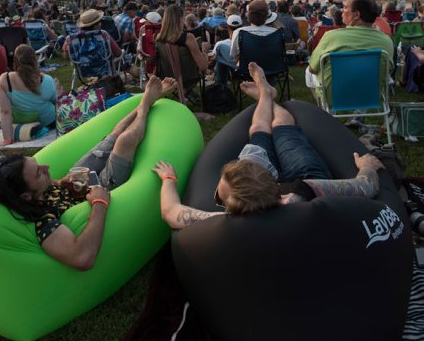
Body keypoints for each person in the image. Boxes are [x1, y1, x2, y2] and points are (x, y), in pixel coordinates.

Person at [153, 63, 383, 228]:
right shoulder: (304, 192)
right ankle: (267, 94)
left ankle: (265, 94)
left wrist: (168, 179)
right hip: (302, 176)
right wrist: (367, 165)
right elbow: (366, 187)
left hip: (273, 186)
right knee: (283, 126)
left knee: (259, 132)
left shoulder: (225, 221)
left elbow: (170, 211)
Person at [0, 76, 176, 269]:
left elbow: (48, 185)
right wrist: (99, 204)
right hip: (98, 191)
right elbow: (83, 258)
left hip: (77, 182)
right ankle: (147, 102)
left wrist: (61, 182)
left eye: (38, 164)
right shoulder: (43, 221)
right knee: (124, 141)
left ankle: (147, 100)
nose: (46, 167)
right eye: (39, 173)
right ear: (25, 195)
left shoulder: (34, 192)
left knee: (114, 135)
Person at [306, 0, 394, 95]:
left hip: (336, 99)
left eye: (345, 7)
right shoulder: (386, 41)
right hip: (370, 98)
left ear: (356, 15)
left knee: (308, 72)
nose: (342, 11)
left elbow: (312, 69)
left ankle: (323, 109)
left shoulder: (331, 37)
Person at [0, 44, 58, 143]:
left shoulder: (5, 80)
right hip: (48, 120)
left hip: (21, 120)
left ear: (15, 60)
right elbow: (56, 102)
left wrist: (7, 139)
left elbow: (5, 112)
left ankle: (23, 130)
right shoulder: (47, 80)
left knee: (15, 125)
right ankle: (36, 129)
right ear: (34, 59)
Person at [230, 0, 281, 65]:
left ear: (248, 16)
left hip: (246, 71)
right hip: (272, 70)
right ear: (266, 17)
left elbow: (235, 56)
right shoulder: (276, 33)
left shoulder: (238, 32)